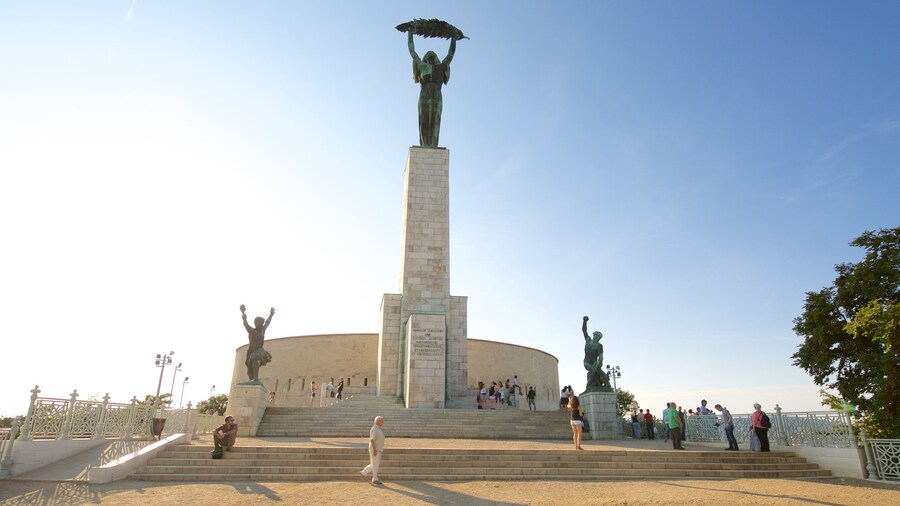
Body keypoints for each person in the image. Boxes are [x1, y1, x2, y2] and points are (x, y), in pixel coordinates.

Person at [406, 25, 458, 147]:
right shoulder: (422, 66)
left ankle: (433, 145)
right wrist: (410, 34)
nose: (430, 57)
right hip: (424, 93)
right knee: (424, 121)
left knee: (435, 120)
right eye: (428, 56)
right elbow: (412, 52)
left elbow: (450, 54)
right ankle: (424, 145)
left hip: (437, 94)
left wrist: (453, 39)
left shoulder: (441, 67)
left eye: (432, 56)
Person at [239, 305, 275, 382]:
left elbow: (267, 323)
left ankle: (256, 378)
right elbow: (246, 325)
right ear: (256, 323)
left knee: (254, 357)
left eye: (262, 323)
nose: (261, 325)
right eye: (260, 323)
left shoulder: (262, 330)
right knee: (249, 368)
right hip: (251, 351)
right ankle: (252, 378)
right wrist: (243, 313)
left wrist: (271, 315)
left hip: (259, 351)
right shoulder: (252, 331)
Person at [360, 415, 385, 485]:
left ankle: (364, 472)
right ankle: (375, 478)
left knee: (374, 464)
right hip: (375, 449)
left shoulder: (378, 429)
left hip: (378, 449)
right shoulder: (374, 429)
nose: (383, 422)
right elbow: (372, 440)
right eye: (382, 421)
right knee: (375, 464)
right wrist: (374, 450)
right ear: (378, 421)